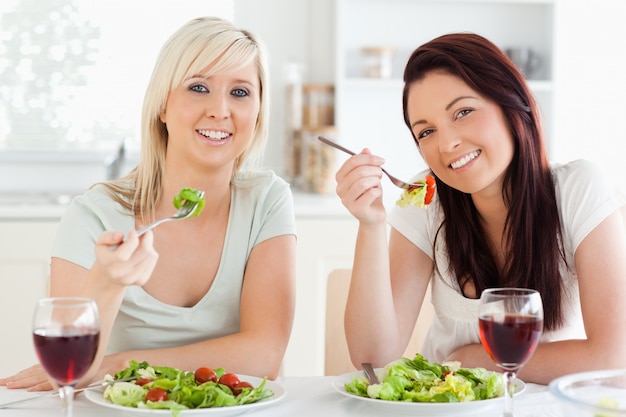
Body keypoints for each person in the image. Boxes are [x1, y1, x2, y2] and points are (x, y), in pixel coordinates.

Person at [1, 16, 296, 391]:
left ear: (257, 111)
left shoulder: (266, 201)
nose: (220, 110)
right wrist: (108, 282)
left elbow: (264, 354)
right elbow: (73, 366)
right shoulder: (92, 215)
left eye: (240, 92)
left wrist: (122, 363)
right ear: (162, 106)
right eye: (199, 87)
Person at [336, 32, 626, 385]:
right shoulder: (426, 202)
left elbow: (614, 359)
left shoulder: (578, 190)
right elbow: (373, 359)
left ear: (510, 103)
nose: (447, 143)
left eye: (463, 112)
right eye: (425, 132)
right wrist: (370, 224)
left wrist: (477, 359)